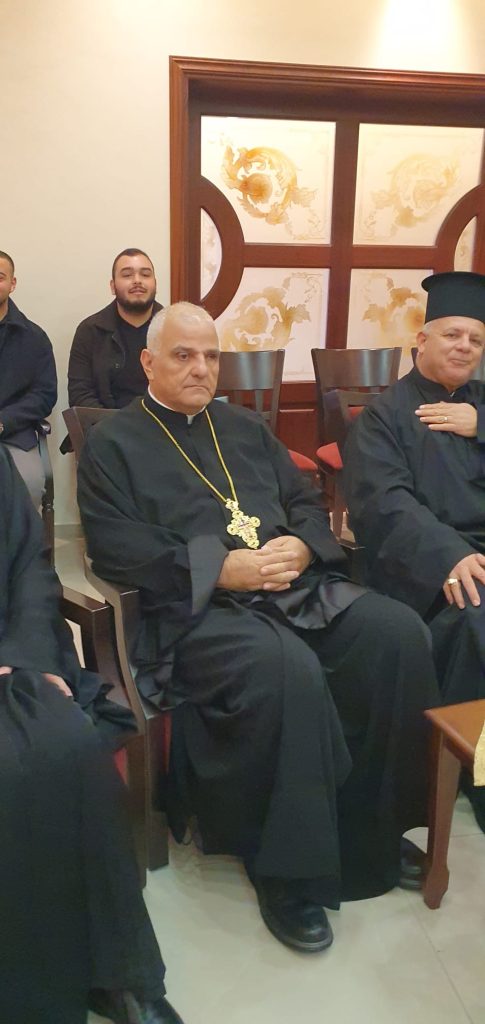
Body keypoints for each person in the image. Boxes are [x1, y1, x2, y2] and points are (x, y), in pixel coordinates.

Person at [77, 301, 440, 953]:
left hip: (291, 587)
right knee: (285, 670)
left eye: (211, 356)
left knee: (397, 634)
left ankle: (371, 827)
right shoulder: (112, 442)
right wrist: (218, 570)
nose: (200, 368)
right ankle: (287, 871)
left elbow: (305, 503)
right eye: (183, 355)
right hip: (197, 609)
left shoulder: (245, 427)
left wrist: (301, 546)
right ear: (149, 362)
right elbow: (114, 545)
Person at [0, 446, 185, 1024]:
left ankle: (116, 972)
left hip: (12, 661)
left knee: (70, 746)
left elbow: (30, 564)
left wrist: (28, 655)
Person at [343, 270, 485, 827]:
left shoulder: (481, 407)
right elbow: (384, 505)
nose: (465, 347)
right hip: (423, 566)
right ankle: (470, 767)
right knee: (475, 617)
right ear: (421, 341)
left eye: (476, 339)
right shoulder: (384, 416)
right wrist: (448, 554)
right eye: (452, 335)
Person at [67, 247, 163, 409]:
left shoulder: (175, 329)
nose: (137, 280)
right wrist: (114, 423)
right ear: (113, 286)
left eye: (145, 275)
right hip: (104, 422)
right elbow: (80, 395)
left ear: (155, 284)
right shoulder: (90, 330)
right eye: (127, 275)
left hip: (161, 422)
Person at [0, 250, 57, 508]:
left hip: (14, 435)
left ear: (12, 283)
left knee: (28, 484)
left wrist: (5, 421)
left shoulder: (34, 338)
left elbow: (45, 395)